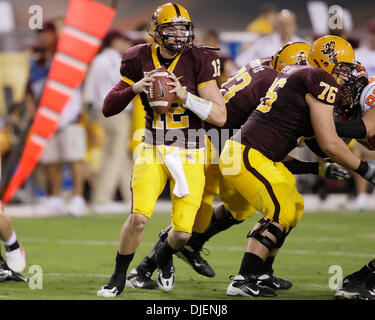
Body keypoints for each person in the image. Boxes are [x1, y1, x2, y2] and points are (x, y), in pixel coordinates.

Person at [125, 42, 350, 292]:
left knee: (241, 207)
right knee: (195, 218)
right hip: (213, 145)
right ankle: (144, 267)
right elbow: (265, 149)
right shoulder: (278, 84)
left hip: (218, 140)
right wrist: (314, 167)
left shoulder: (267, 66)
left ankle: (208, 250)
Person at [218, 35, 375, 298]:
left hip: (258, 154)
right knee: (280, 208)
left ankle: (262, 272)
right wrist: (364, 169)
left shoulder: (301, 74)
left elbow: (318, 141)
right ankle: (244, 278)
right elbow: (329, 143)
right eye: (344, 68)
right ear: (327, 63)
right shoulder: (319, 78)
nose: (346, 76)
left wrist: (322, 165)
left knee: (293, 207)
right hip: (246, 152)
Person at [97, 3, 226, 297]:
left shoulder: (199, 59)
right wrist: (135, 88)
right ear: (156, 31)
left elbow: (220, 116)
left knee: (182, 233)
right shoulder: (137, 57)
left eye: (184, 28)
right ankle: (118, 276)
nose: (179, 34)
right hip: (153, 147)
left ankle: (164, 256)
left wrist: (184, 95)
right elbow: (108, 107)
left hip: (191, 149)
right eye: (172, 28)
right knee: (139, 217)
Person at [28, 21, 87, 217]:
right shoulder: (36, 63)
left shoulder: (67, 59)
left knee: (74, 158)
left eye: (48, 33)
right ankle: (56, 198)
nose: (44, 37)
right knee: (51, 160)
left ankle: (78, 198)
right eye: (41, 33)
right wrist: (33, 115)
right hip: (46, 119)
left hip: (69, 116)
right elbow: (29, 91)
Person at [83, 30, 134, 214]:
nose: (127, 45)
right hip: (117, 112)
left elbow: (89, 90)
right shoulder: (115, 60)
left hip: (102, 110)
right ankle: (102, 198)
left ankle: (133, 198)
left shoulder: (99, 60)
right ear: (115, 41)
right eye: (124, 40)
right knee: (113, 155)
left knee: (119, 156)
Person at [236, 9, 304, 68]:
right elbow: (242, 62)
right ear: (277, 26)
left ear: (295, 26)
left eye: (289, 24)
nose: (286, 28)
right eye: (283, 24)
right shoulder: (263, 43)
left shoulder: (303, 45)